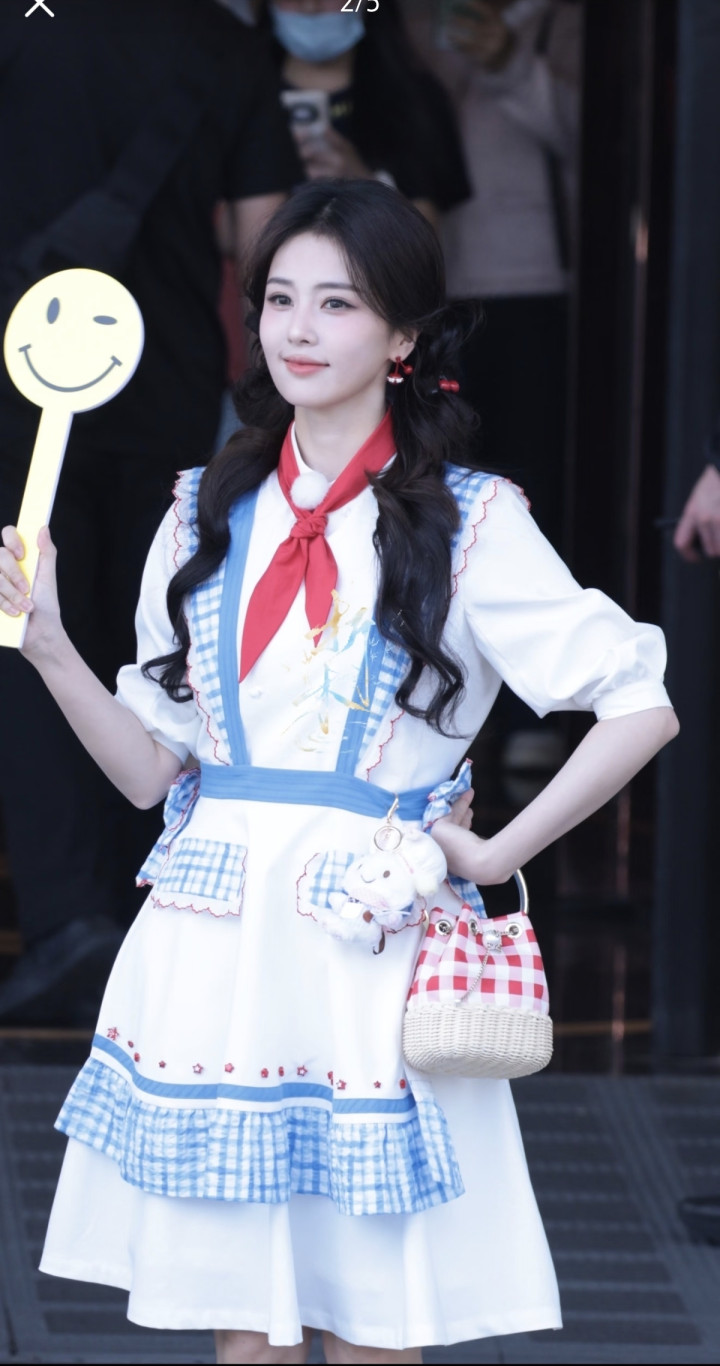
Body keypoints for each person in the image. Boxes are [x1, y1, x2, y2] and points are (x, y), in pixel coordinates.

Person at [0, 181, 677, 1363]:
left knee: (374, 1328)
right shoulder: (201, 510)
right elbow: (150, 772)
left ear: (405, 335)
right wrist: (48, 640)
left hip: (371, 944)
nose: (299, 329)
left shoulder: (470, 520)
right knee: (242, 1332)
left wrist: (496, 854)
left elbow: (639, 703)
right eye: (278, 299)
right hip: (216, 947)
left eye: (338, 303)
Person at [0, 0, 300, 1025]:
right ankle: (147, 908)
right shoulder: (223, 44)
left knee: (25, 635)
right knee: (157, 641)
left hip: (17, 382)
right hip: (161, 380)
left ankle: (63, 917)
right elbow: (266, 244)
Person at [260, 0, 471, 228]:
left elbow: (427, 231)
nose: (310, 6)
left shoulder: (417, 98)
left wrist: (365, 182)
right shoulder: (243, 89)